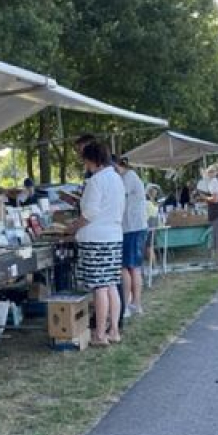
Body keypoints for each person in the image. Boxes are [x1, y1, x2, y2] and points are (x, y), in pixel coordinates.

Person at [71, 142, 125, 346]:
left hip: (97, 238)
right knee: (111, 284)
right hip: (113, 236)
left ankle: (100, 334)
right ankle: (114, 330)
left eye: (84, 160)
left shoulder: (96, 181)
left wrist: (75, 226)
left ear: (91, 160)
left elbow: (90, 212)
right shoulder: (116, 178)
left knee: (100, 287)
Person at [114, 157, 148, 316]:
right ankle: (135, 303)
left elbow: (117, 196)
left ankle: (128, 304)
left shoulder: (128, 178)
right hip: (135, 227)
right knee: (134, 267)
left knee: (127, 267)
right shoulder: (130, 177)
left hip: (131, 228)